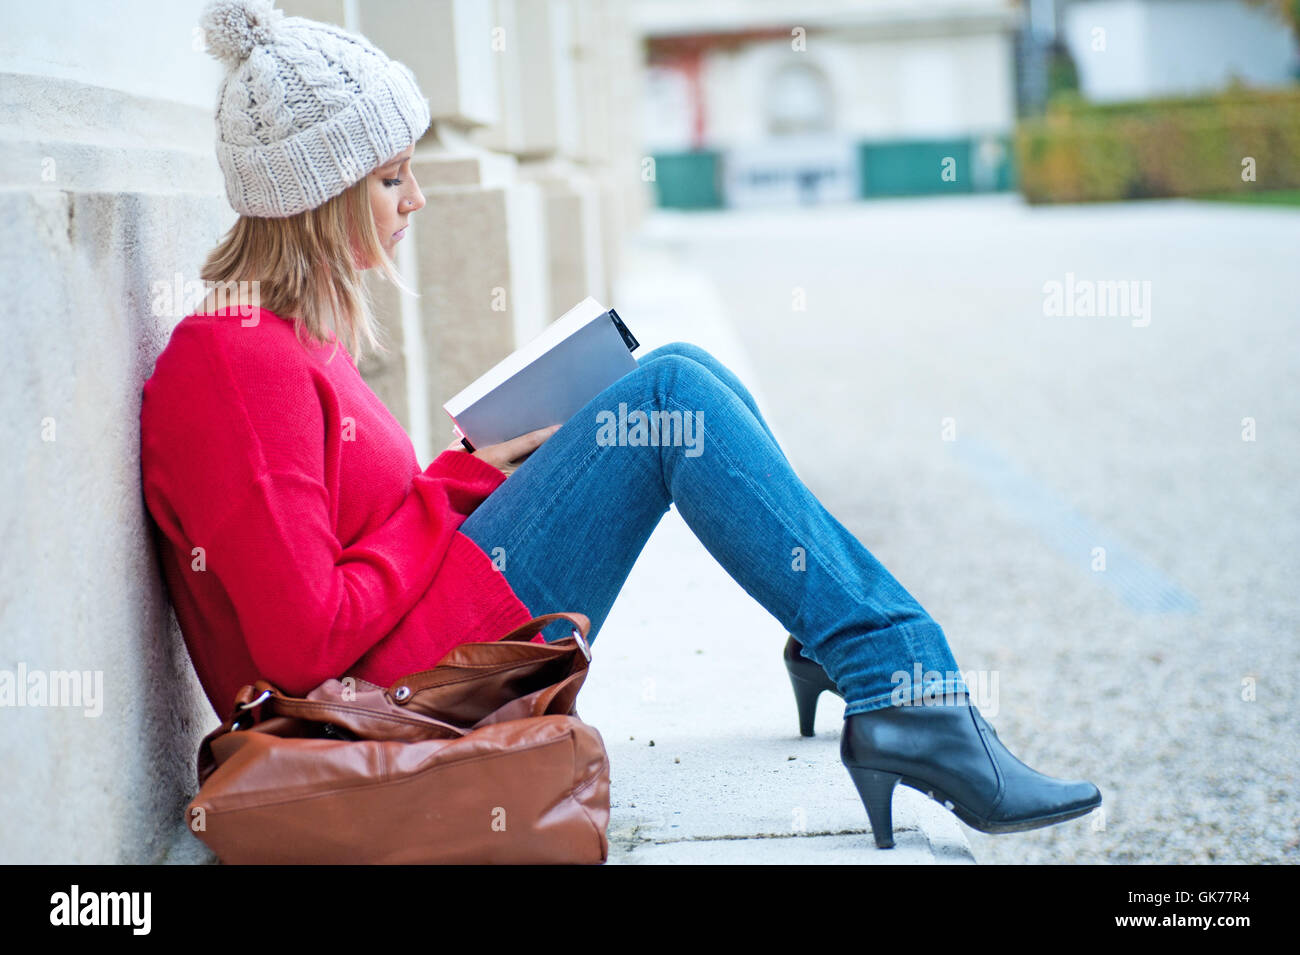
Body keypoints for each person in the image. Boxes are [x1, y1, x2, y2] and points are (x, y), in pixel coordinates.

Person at [142, 0, 1100, 853]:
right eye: (393, 180)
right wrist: (450, 486)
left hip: (414, 651)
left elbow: (353, 540)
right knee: (672, 393)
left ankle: (838, 642)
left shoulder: (285, 339)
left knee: (685, 373)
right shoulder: (234, 363)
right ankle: (901, 686)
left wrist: (470, 469)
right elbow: (303, 645)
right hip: (385, 704)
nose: (417, 201)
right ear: (322, 197)